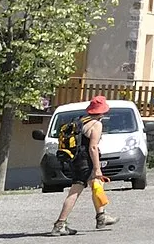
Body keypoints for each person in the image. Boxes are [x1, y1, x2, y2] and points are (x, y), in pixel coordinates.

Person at [51, 96, 119, 236]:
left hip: (75, 159)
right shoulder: (96, 124)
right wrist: (97, 168)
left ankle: (101, 217)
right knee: (75, 191)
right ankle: (60, 224)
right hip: (85, 161)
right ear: (102, 111)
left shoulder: (81, 120)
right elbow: (93, 147)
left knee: (97, 184)